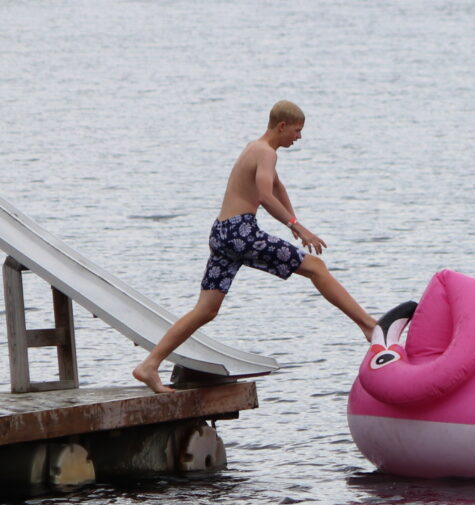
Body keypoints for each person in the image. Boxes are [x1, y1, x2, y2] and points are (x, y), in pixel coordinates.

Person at [133, 101, 377, 394]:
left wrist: (295, 219)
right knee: (316, 268)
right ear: (282, 126)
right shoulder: (266, 152)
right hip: (240, 232)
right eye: (297, 131)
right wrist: (296, 227)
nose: (299, 138)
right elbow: (264, 194)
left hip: (221, 232)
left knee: (206, 310)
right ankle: (368, 325)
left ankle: (149, 365)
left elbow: (277, 188)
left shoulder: (256, 149)